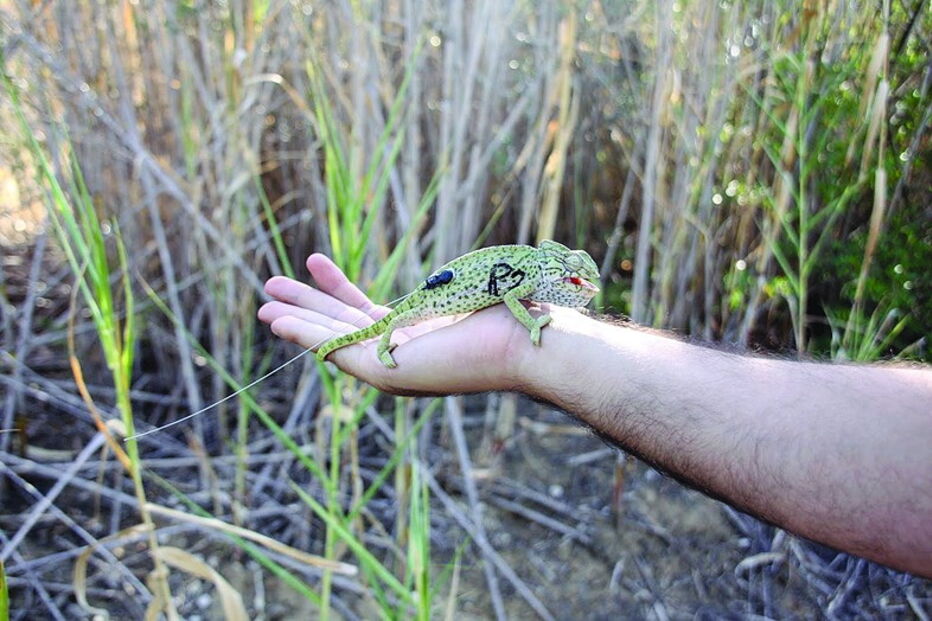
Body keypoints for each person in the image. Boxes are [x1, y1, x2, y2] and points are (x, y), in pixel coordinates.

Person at [258, 253, 932, 578]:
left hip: (464, 295)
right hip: (444, 296)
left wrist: (534, 346)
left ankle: (386, 333)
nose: (579, 288)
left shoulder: (538, 272)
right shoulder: (528, 278)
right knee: (396, 321)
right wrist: (529, 328)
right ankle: (383, 334)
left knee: (397, 322)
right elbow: (514, 297)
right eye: (573, 282)